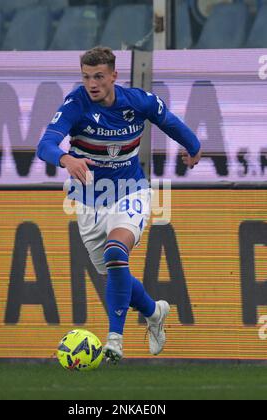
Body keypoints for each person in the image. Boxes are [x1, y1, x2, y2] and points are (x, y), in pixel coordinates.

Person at [37, 46, 201, 363]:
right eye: (86, 77)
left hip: (131, 190)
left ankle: (114, 340)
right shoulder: (76, 104)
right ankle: (155, 312)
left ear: (114, 75)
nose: (92, 84)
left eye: (99, 76)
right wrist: (65, 158)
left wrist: (193, 147)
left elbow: (171, 122)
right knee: (114, 270)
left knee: (116, 251)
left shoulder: (139, 102)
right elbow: (45, 143)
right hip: (89, 201)